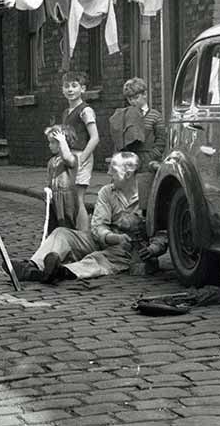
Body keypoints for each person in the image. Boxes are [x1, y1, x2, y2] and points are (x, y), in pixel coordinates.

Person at [38, 151, 169, 283]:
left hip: (125, 251)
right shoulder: (107, 191)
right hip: (102, 240)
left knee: (97, 260)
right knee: (61, 234)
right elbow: (98, 226)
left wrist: (153, 249)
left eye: (113, 169)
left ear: (128, 174)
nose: (108, 173)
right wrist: (113, 237)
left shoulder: (150, 196)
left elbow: (163, 232)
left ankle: (61, 272)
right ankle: (35, 266)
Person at [121, 77, 166, 208]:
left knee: (145, 198)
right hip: (130, 161)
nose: (133, 101)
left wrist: (150, 157)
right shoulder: (126, 115)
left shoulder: (155, 116)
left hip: (147, 162)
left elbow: (161, 141)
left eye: (135, 97)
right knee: (128, 199)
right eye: (129, 99)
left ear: (145, 94)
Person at [61, 71, 99, 207]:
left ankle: (82, 228)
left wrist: (82, 158)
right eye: (66, 86)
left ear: (82, 89)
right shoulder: (66, 112)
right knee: (68, 197)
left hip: (81, 155)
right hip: (68, 156)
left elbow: (95, 137)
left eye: (74, 85)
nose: (70, 89)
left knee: (78, 198)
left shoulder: (85, 110)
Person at [43, 124, 88, 234]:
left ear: (63, 143)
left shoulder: (72, 158)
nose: (50, 145)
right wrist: (47, 190)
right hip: (54, 197)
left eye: (53, 142)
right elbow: (49, 178)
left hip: (67, 198)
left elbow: (68, 158)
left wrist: (62, 141)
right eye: (49, 142)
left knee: (67, 224)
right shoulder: (52, 161)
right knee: (53, 225)